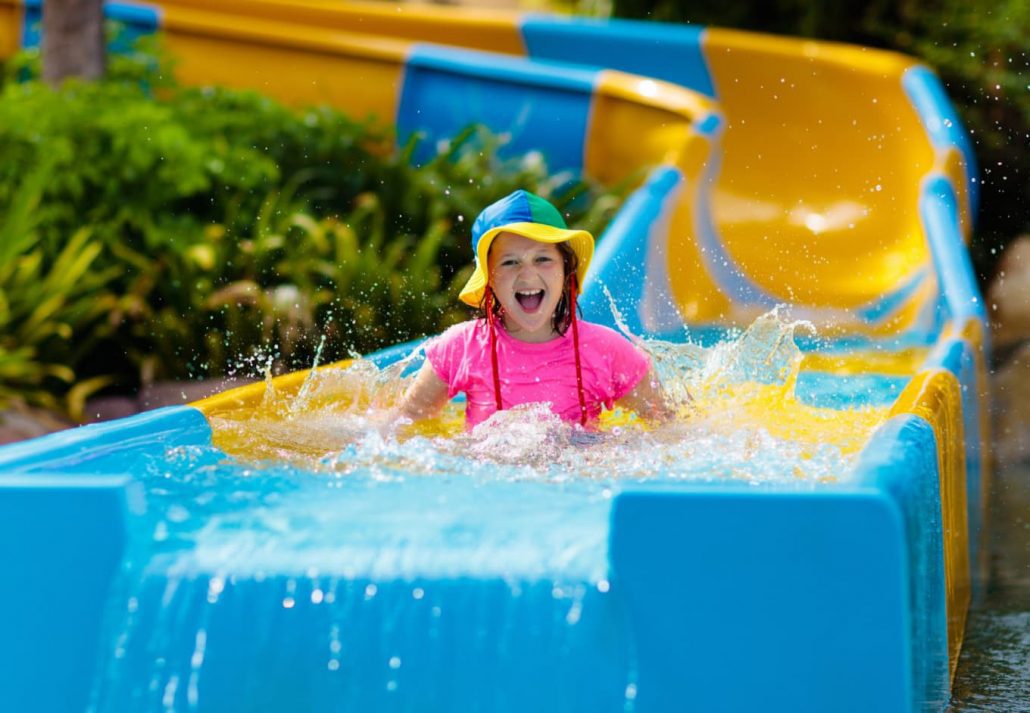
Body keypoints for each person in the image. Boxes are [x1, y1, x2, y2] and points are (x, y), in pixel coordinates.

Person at [395, 189, 670, 431]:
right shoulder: (461, 347)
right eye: (510, 262)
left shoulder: (606, 349)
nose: (528, 274)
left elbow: (668, 425)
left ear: (566, 270)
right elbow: (405, 421)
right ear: (489, 277)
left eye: (543, 259)